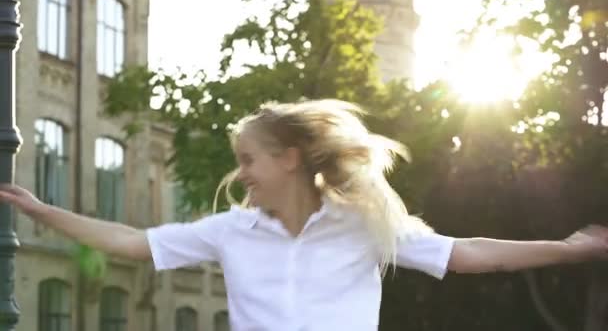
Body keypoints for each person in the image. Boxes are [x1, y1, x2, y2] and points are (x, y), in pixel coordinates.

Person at [0, 99, 606, 331]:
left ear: (289, 160)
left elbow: (467, 253)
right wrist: (43, 211)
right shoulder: (231, 231)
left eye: (247, 160)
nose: (239, 174)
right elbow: (134, 242)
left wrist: (572, 248)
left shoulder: (363, 226)